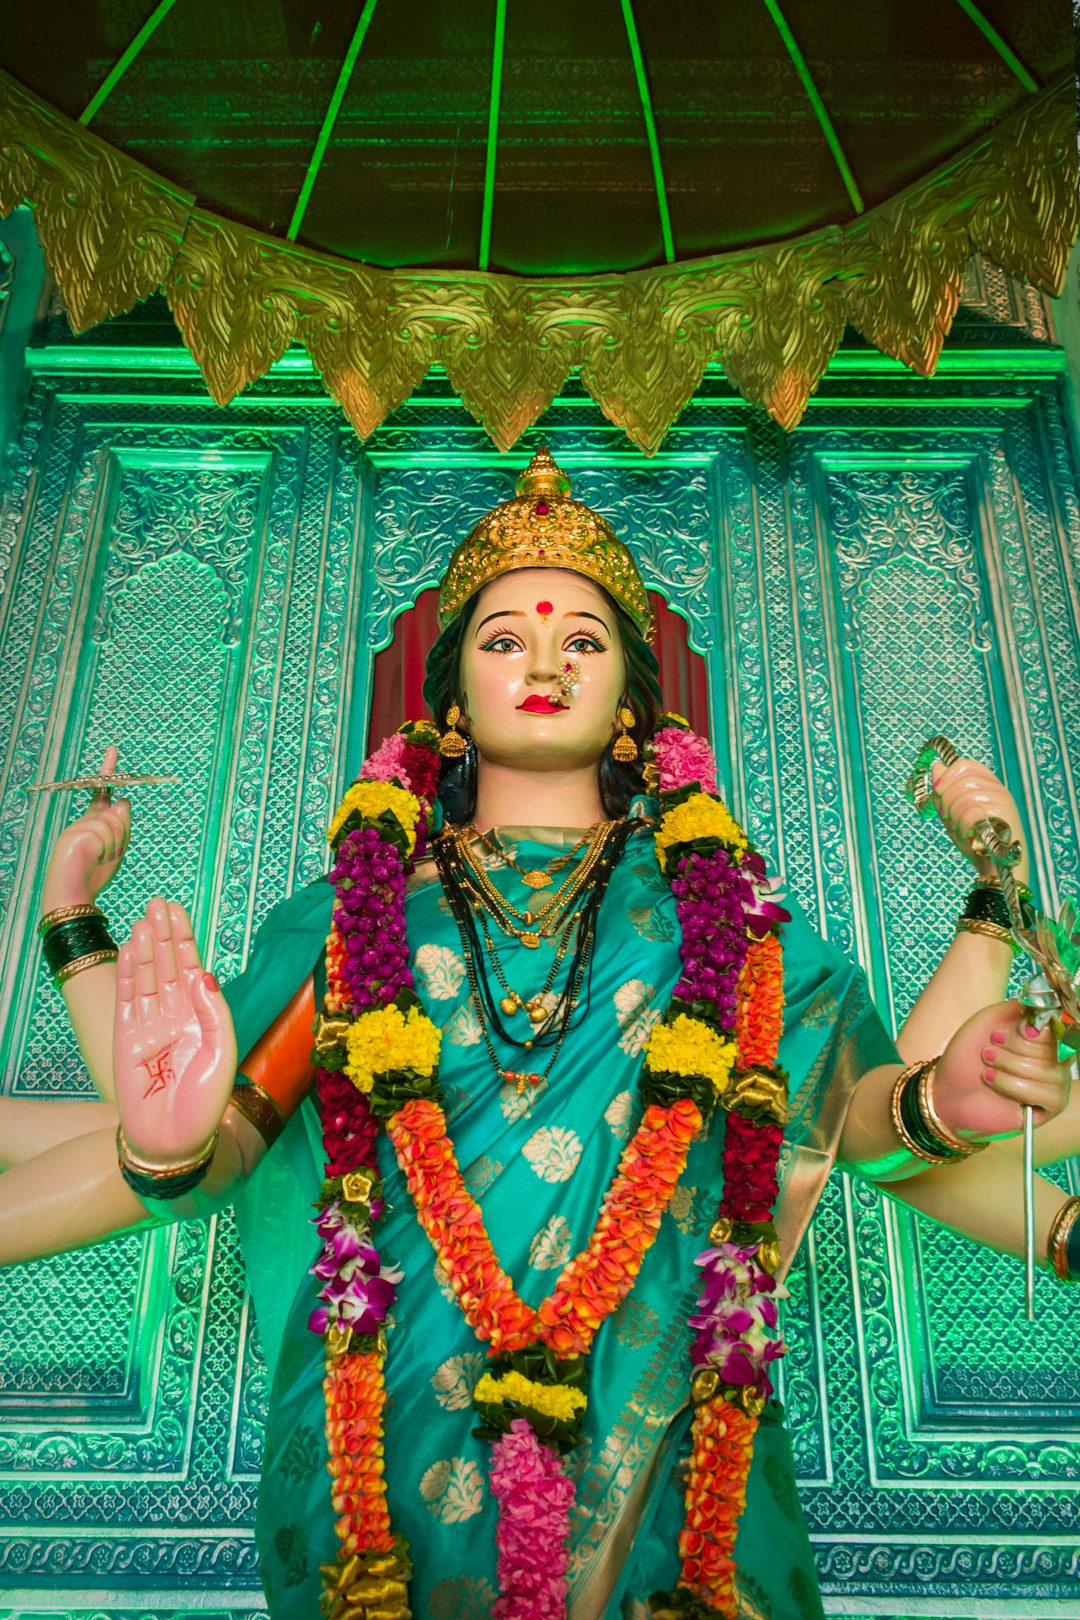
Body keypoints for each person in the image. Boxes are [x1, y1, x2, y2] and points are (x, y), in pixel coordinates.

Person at [2, 448, 1076, 1620]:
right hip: (392, 1408)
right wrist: (167, 1142)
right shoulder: (353, 919)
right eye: (506, 639)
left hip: (666, 1409)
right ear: (452, 690)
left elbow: (843, 1116)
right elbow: (236, 1144)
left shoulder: (732, 919)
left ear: (633, 698)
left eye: (585, 642)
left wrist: (936, 1102)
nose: (548, 664)